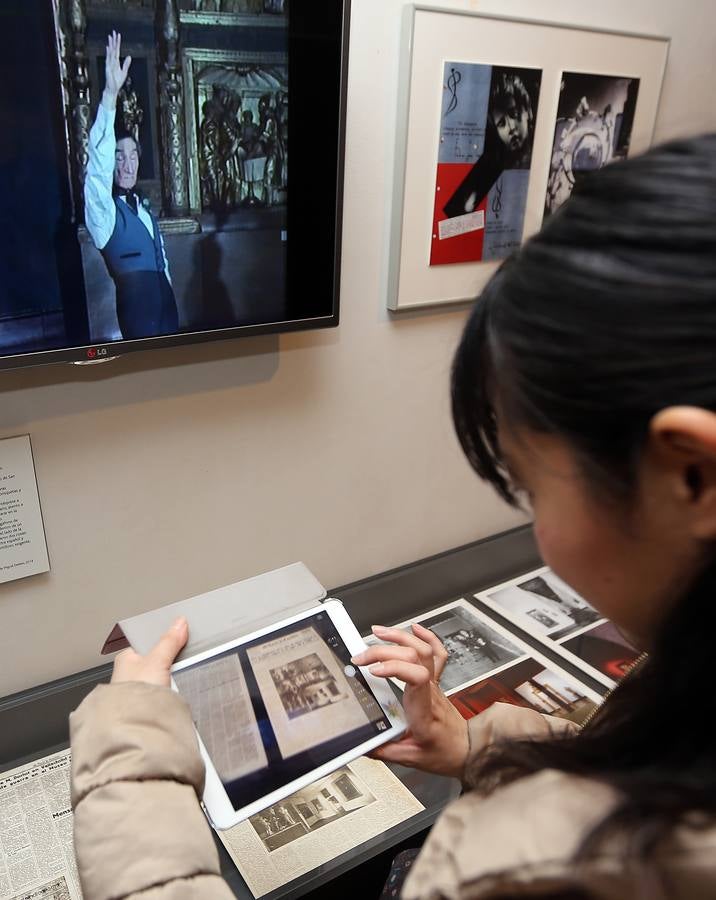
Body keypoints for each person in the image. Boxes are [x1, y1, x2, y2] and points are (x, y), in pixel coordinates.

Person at [70, 132, 716, 898]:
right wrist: (479, 744)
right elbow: (619, 759)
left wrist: (131, 755)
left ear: (691, 476)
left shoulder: (526, 867)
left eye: (530, 486)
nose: (537, 530)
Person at [84, 31, 179, 340]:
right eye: (118, 157)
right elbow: (96, 170)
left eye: (133, 156)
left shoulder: (146, 212)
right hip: (139, 321)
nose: (127, 164)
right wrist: (110, 96)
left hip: (168, 315)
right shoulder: (104, 214)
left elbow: (162, 264)